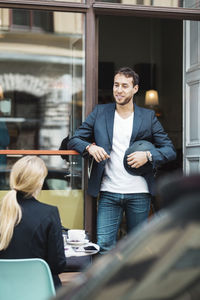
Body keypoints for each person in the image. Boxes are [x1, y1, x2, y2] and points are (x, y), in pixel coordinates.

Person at [65, 67, 176, 253]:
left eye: (125, 86)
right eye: (116, 85)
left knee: (137, 248)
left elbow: (170, 150)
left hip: (139, 193)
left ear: (135, 89)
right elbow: (74, 140)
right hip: (109, 192)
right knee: (104, 247)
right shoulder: (100, 113)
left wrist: (148, 156)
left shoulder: (148, 117)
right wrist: (90, 147)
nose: (119, 90)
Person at [0, 156, 66, 288]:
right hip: (38, 291)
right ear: (39, 182)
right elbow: (58, 265)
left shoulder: (3, 210)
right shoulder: (49, 213)